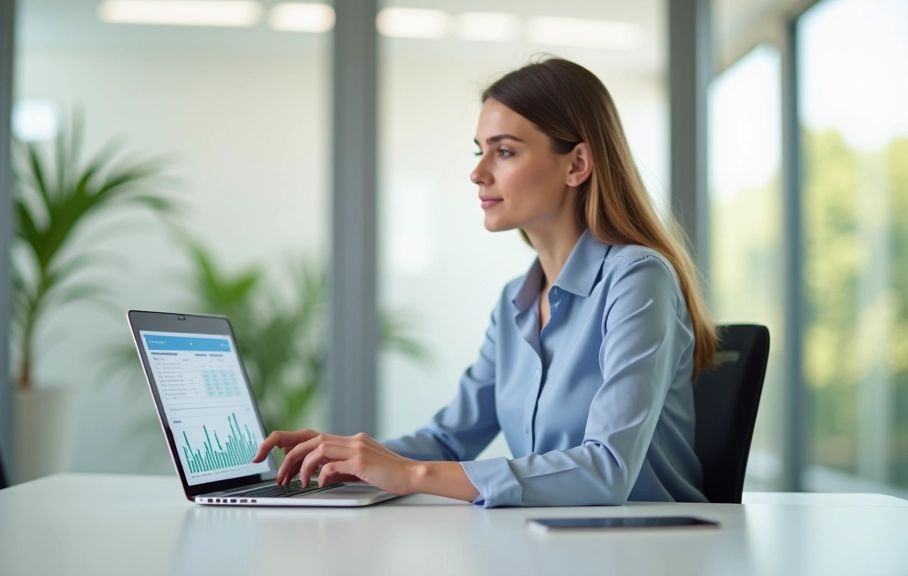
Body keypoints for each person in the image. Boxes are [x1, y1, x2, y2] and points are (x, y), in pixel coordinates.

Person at [252, 57, 716, 508]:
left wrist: (411, 475)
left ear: (576, 164)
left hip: (649, 550)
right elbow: (449, 438)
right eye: (481, 151)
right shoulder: (516, 300)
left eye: (505, 151)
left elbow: (607, 469)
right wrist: (344, 457)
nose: (478, 173)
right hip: (552, 545)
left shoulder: (637, 279)